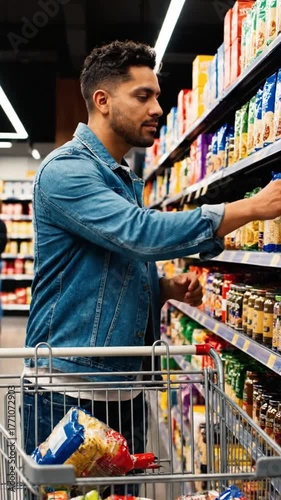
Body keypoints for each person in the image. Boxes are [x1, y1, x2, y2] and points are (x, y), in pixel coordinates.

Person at [22, 40, 281, 496]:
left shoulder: (120, 177)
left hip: (123, 390)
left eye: (158, 96)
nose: (158, 108)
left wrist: (161, 288)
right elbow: (137, 234)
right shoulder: (66, 171)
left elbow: (101, 268)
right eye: (143, 96)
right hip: (68, 394)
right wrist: (251, 208)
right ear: (101, 101)